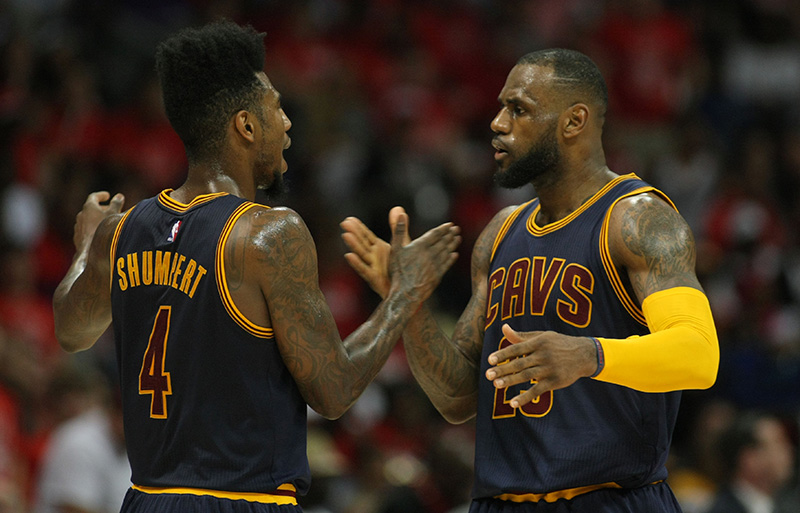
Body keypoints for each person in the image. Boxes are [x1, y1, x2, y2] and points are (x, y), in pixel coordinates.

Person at [52, 20, 460, 513]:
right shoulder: (268, 234)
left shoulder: (120, 232)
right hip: (242, 500)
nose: (287, 124)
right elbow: (333, 391)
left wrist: (84, 247)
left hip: (147, 499)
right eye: (277, 108)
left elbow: (73, 331)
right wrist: (402, 294)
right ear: (246, 126)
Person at [341, 48, 720, 512]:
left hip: (609, 499)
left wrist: (588, 355)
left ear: (574, 121)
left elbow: (699, 354)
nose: (498, 123)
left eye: (519, 109)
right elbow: (458, 396)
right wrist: (407, 303)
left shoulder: (637, 219)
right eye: (502, 107)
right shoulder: (500, 233)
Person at [703, 411, 797, 513]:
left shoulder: (782, 506)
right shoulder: (722, 510)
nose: (789, 450)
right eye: (779, 443)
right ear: (749, 459)